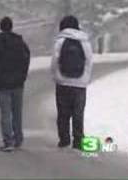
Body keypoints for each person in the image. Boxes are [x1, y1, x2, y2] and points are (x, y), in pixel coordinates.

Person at [0, 17, 30, 152]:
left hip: (2, 83)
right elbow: (26, 59)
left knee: (5, 113)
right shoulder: (20, 42)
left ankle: (8, 141)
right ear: (11, 26)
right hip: (18, 83)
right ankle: (18, 139)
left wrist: (0, 66)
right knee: (17, 112)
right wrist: (22, 75)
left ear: (1, 27)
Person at [51, 15, 93, 150]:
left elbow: (54, 62)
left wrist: (57, 77)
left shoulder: (60, 41)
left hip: (63, 83)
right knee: (78, 112)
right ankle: (78, 140)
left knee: (63, 112)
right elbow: (89, 62)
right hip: (80, 84)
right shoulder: (84, 41)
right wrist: (85, 79)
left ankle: (64, 139)